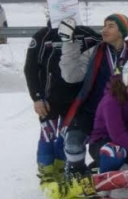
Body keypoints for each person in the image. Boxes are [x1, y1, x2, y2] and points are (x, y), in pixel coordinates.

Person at [58, 13, 128, 177]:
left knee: (117, 150)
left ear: (121, 32)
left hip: (123, 114)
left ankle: (102, 172)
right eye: (104, 25)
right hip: (92, 111)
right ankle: (75, 173)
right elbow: (71, 76)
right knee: (73, 144)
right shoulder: (95, 52)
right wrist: (67, 43)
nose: (104, 30)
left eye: (110, 26)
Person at [25, 20, 100, 182]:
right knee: (48, 135)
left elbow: (107, 46)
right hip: (49, 99)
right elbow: (30, 68)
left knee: (66, 137)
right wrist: (37, 97)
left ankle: (61, 169)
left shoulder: (86, 33)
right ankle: (45, 172)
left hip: (75, 100)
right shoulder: (43, 35)